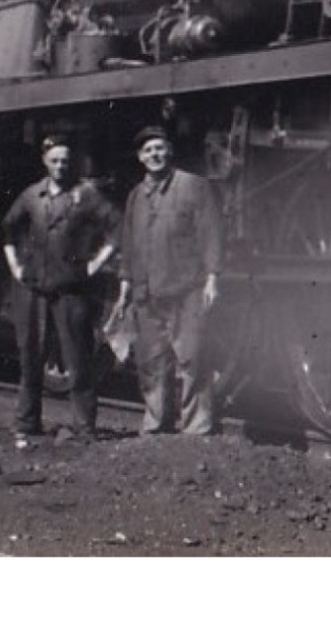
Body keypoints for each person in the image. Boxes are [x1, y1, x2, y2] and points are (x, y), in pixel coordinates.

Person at [2, 136, 121, 441]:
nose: (60, 166)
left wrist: (93, 265)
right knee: (31, 357)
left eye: (65, 161)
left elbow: (117, 229)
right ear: (45, 161)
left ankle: (84, 427)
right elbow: (8, 228)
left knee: (78, 359)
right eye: (54, 160)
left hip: (71, 289)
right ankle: (27, 423)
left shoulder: (87, 195)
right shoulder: (31, 196)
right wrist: (15, 266)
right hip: (33, 289)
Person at [117, 125, 223, 435]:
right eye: (148, 150)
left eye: (160, 148)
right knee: (151, 362)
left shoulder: (194, 186)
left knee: (192, 359)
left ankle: (196, 427)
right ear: (140, 157)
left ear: (170, 151)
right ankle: (155, 424)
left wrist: (213, 278)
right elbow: (128, 243)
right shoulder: (136, 196)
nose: (155, 155)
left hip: (185, 288)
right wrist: (124, 284)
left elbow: (211, 234)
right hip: (145, 292)